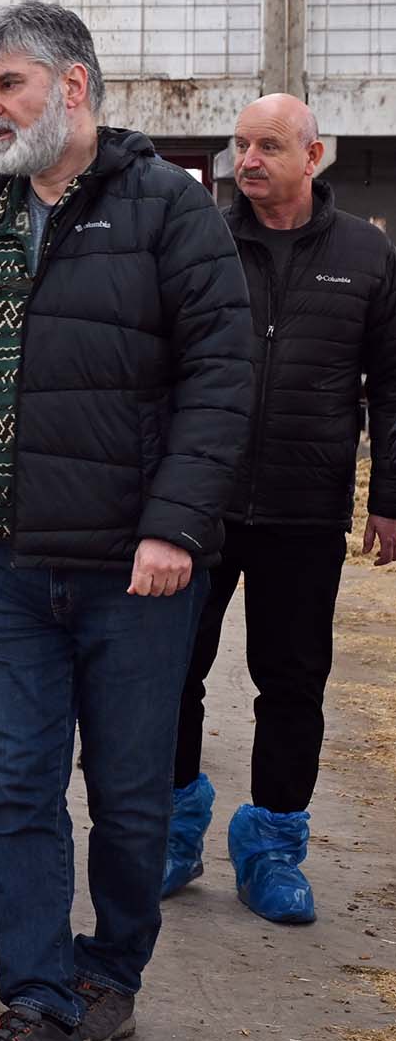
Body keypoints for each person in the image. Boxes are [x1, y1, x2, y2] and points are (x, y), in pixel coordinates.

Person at [0, 1, 252, 1041]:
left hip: (131, 569)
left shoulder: (170, 210)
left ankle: (112, 972)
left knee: (129, 792)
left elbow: (221, 376)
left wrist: (175, 523)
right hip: (3, 566)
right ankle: (39, 1005)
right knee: (17, 787)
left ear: (72, 87)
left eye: (6, 84)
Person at [163, 94, 396, 923]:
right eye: (240, 145)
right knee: (171, 671)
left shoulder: (366, 253)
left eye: (267, 145)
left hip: (306, 505)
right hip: (202, 501)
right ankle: (172, 828)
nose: (248, 160)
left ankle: (271, 847)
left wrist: (389, 495)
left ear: (314, 155)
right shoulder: (203, 240)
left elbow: (390, 383)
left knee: (293, 682)